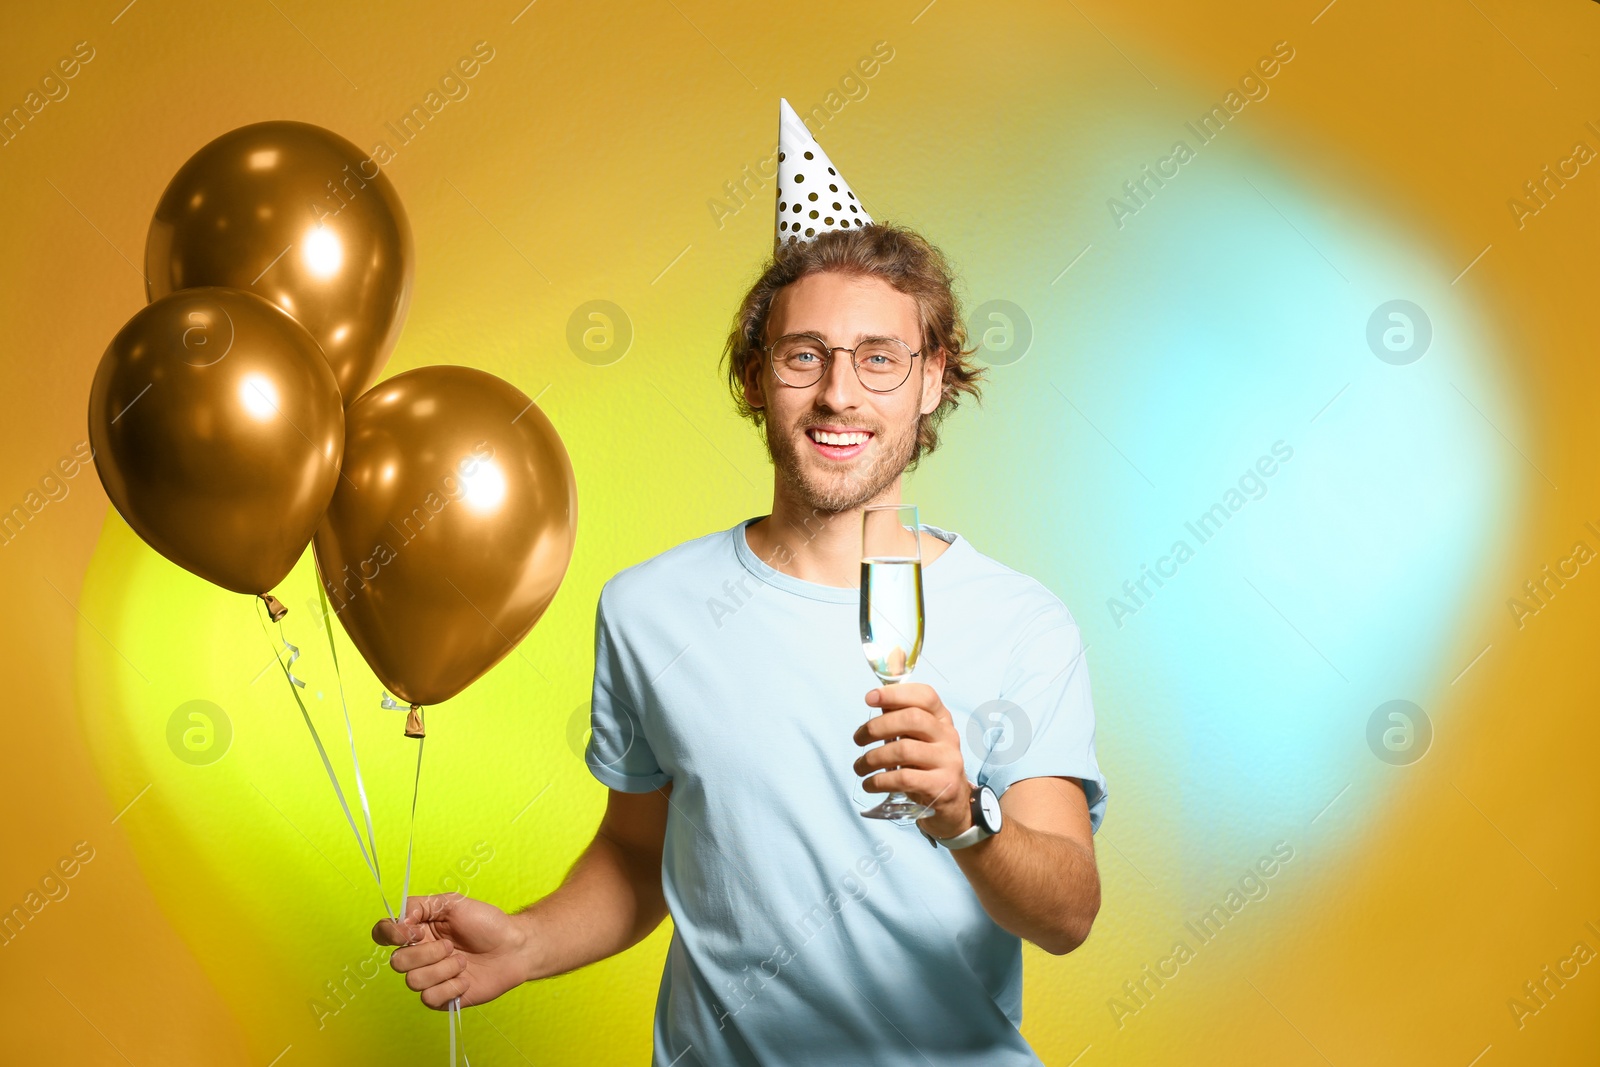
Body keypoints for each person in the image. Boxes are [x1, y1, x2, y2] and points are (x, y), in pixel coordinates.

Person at [374, 102, 1107, 1067]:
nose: (840, 393)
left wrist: (965, 815)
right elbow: (641, 856)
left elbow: (1066, 913)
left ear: (932, 379)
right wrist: (525, 942)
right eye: (805, 355)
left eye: (879, 359)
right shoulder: (648, 610)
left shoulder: (1019, 622)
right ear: (757, 377)